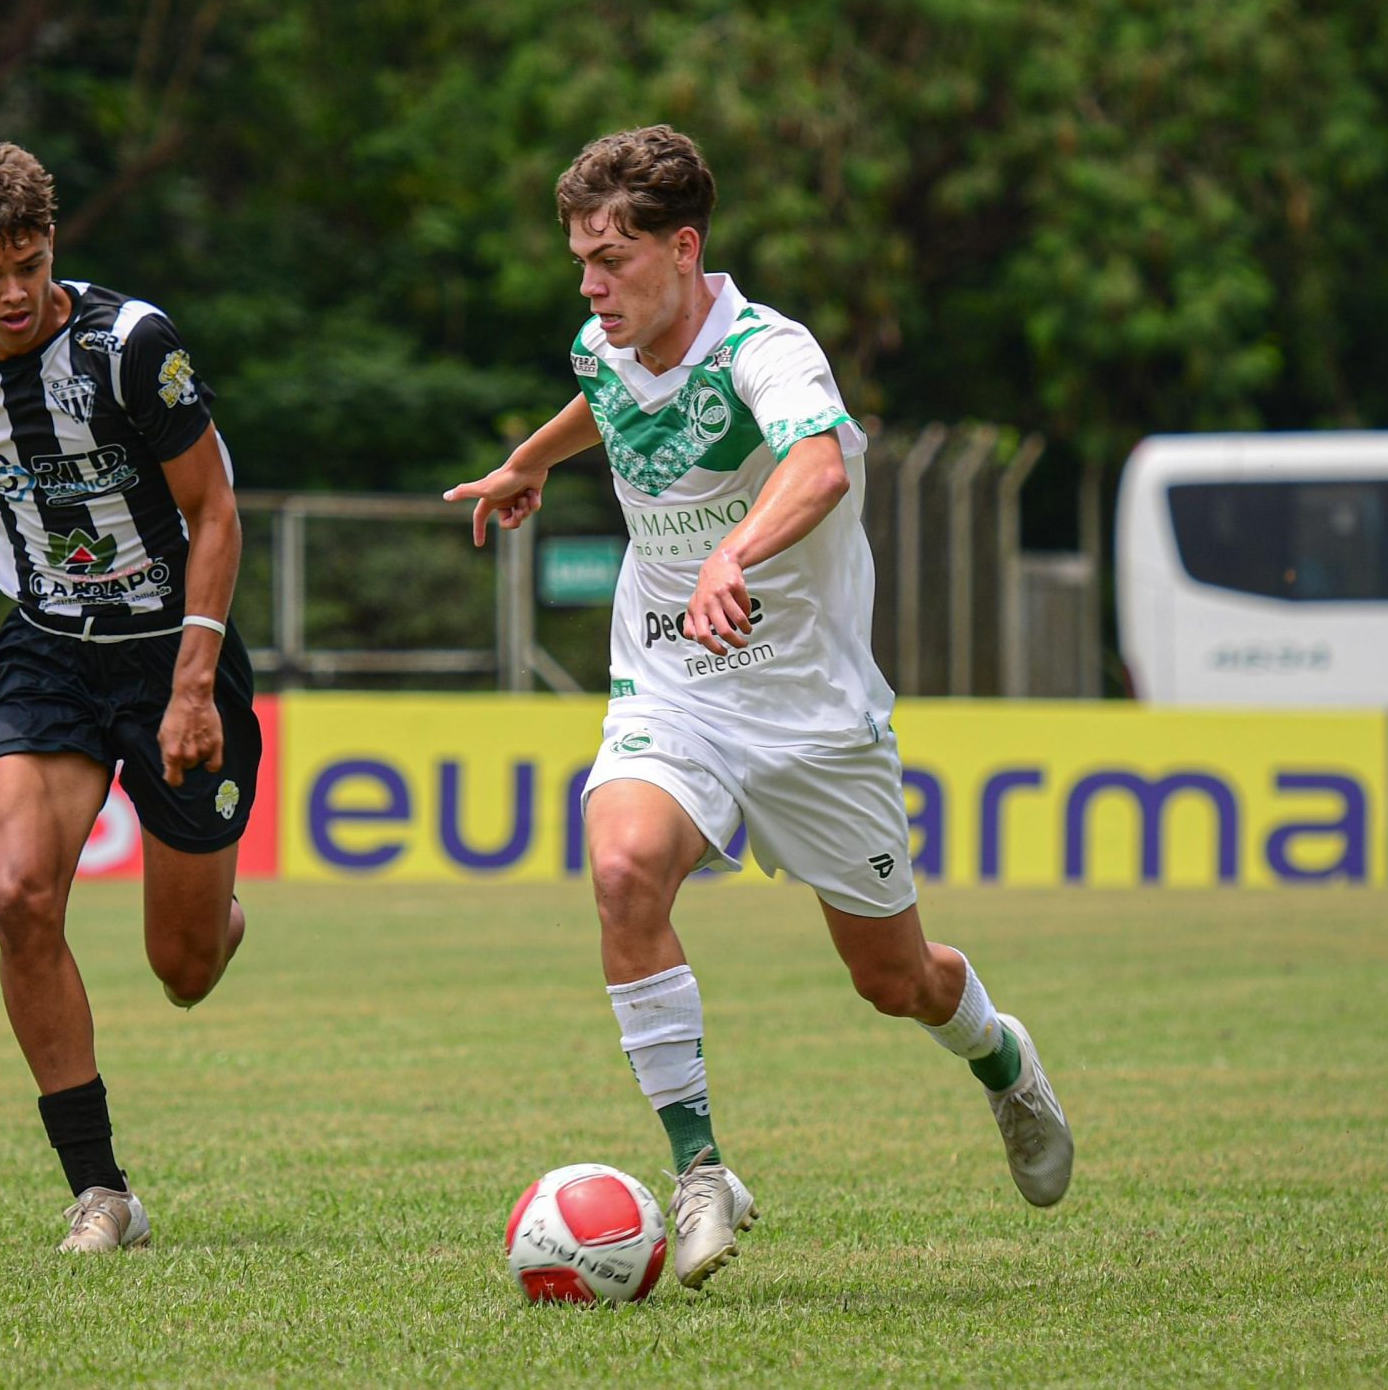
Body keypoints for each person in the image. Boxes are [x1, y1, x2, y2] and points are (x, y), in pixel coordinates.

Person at [446, 125, 1072, 1293]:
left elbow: (820, 464)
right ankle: (698, 1171)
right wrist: (532, 458)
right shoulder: (604, 339)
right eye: (580, 256)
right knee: (624, 867)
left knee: (896, 982)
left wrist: (735, 550)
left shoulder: (767, 350)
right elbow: (607, 396)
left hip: (808, 713)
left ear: (683, 249)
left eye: (613, 258)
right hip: (673, 680)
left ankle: (1000, 1058)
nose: (590, 284)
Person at [0, 142, 258, 1256]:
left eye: (32, 263)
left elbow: (216, 512)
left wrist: (192, 687)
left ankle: (217, 907)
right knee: (14, 896)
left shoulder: (128, 346)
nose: (14, 293)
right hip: (48, 651)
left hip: (172, 654)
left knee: (184, 972)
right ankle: (100, 1191)